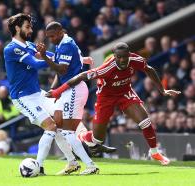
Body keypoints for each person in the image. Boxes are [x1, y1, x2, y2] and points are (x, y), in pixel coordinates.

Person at [47, 42, 181, 165]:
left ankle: (154, 152)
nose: (122, 60)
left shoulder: (135, 60)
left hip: (125, 93)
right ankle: (82, 134)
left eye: (125, 57)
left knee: (145, 121)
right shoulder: (107, 68)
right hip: (106, 97)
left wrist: (162, 90)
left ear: (129, 55)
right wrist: (58, 91)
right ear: (115, 56)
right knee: (97, 140)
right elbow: (81, 76)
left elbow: (149, 69)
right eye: (119, 57)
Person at [3, 13, 82, 176]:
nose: (31, 30)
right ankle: (37, 166)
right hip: (23, 97)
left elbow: (52, 56)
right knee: (51, 126)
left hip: (38, 93)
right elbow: (36, 63)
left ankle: (72, 162)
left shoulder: (29, 45)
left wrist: (76, 58)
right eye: (27, 27)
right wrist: (50, 59)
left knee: (59, 122)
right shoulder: (12, 49)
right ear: (17, 28)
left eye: (30, 27)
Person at [36, 21, 100, 174]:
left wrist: (44, 56)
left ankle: (90, 165)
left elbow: (62, 70)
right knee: (56, 126)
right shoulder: (62, 43)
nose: (50, 39)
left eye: (52, 36)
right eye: (48, 37)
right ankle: (72, 162)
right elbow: (62, 72)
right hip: (66, 90)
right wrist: (54, 90)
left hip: (74, 90)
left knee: (68, 131)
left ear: (59, 32)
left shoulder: (66, 45)